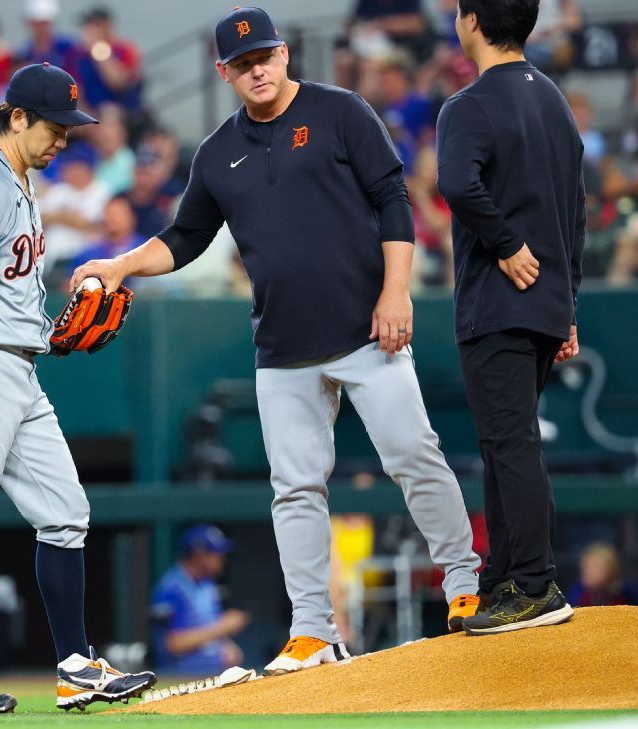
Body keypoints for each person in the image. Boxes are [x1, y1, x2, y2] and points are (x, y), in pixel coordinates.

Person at [70, 7, 484, 675]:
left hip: (366, 329)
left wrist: (396, 290)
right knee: (294, 488)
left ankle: (465, 585)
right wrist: (119, 265)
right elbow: (184, 238)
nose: (255, 68)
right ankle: (314, 628)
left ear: (285, 54)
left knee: (414, 453)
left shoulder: (340, 112)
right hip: (283, 347)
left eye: (263, 55)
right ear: (223, 73)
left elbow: (393, 198)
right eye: (241, 63)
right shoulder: (216, 153)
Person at [0, 62, 154, 717]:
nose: (64, 140)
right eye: (54, 127)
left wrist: (52, 335)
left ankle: (77, 667)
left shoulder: (20, 180)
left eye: (69, 129)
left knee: (66, 511)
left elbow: (3, 288)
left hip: (17, 365)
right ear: (16, 116)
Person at [435, 0, 585, 635]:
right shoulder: (554, 99)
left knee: (511, 441)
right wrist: (568, 305)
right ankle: (504, 577)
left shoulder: (468, 104)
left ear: (471, 21)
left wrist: (504, 245)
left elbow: (458, 184)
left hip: (500, 302)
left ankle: (533, 583)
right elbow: (574, 208)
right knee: (506, 439)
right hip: (549, 302)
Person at [150, 526, 249, 676]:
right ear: (200, 555)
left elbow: (210, 628)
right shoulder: (172, 586)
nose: (222, 560)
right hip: (179, 679)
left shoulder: (207, 584)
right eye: (218, 555)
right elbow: (172, 644)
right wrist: (223, 626)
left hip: (213, 674)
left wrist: (227, 646)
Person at [567, 543, 638, 608]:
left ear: (611, 569)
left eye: (596, 567)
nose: (589, 572)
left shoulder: (628, 594)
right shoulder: (576, 595)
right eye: (586, 567)